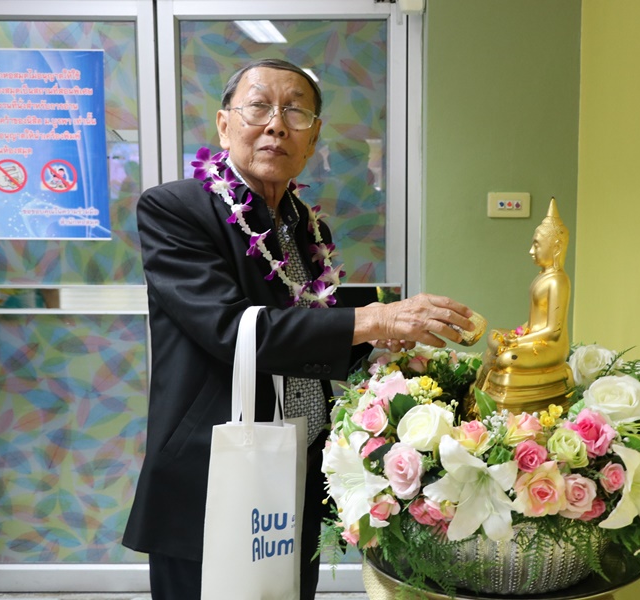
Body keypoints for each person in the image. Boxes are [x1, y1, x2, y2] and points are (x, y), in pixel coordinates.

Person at [121, 58, 474, 600]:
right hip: (214, 471)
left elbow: (305, 331)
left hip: (298, 466)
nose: (276, 125)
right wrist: (372, 318)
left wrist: (376, 343)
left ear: (312, 139)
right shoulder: (176, 209)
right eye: (259, 106)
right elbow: (232, 329)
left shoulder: (305, 225)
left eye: (295, 112)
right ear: (224, 125)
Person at [474, 198, 574, 414]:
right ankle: (479, 399)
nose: (531, 250)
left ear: (556, 248)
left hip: (550, 347)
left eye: (536, 245)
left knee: (508, 358)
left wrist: (518, 342)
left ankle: (500, 405)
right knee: (494, 335)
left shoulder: (558, 281)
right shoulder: (541, 277)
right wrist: (514, 335)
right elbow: (534, 322)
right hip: (532, 338)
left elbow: (553, 331)